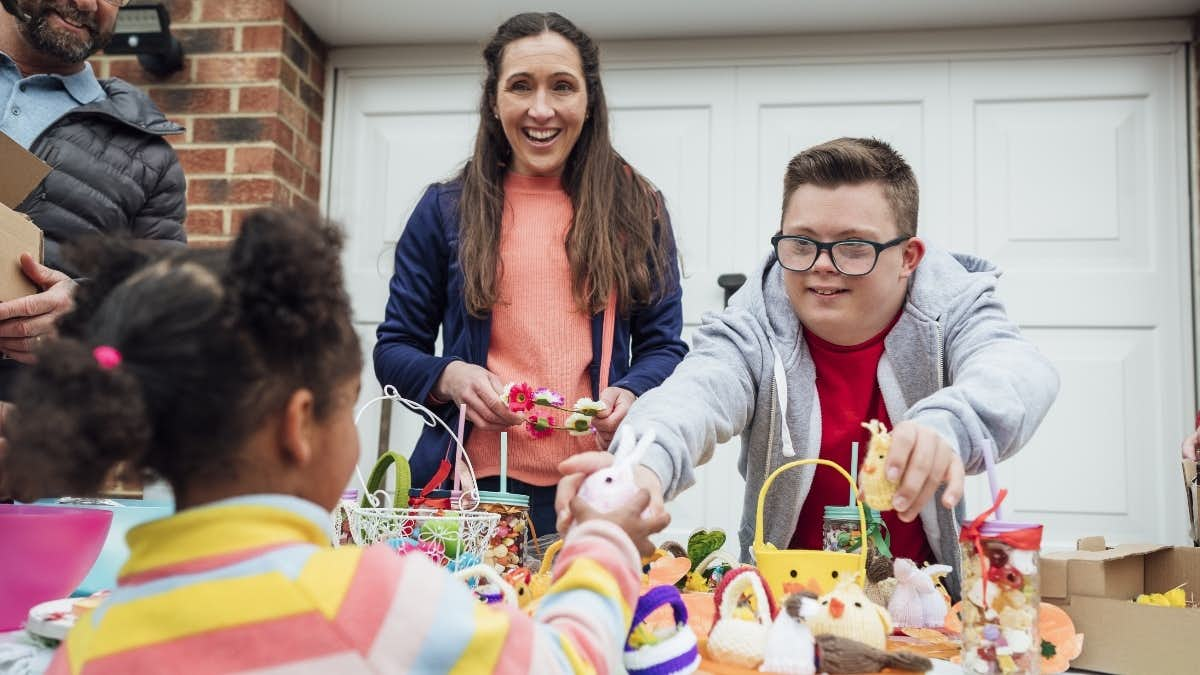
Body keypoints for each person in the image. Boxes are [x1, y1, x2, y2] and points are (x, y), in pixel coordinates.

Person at [1, 209, 669, 674]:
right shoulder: (373, 599)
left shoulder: (88, 642)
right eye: (346, 406)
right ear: (298, 425)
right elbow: (569, 662)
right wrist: (601, 537)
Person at [563, 138, 1060, 598]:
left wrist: (947, 428)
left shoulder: (952, 304)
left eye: (852, 247)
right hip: (784, 611)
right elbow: (696, 392)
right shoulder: (754, 320)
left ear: (908, 257)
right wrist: (636, 469)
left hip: (925, 612)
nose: (823, 265)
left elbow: (1019, 370)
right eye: (801, 244)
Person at [374, 12, 686, 537]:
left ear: (588, 101)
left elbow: (665, 348)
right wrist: (451, 376)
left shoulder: (638, 208)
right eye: (521, 86)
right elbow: (394, 349)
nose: (541, 109)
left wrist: (631, 391)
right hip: (468, 492)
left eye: (561, 87)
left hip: (593, 492)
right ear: (495, 102)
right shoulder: (444, 210)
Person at [0, 0, 186, 385]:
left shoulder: (147, 154)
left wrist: (86, 316)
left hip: (31, 427)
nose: (88, 3)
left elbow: (167, 314)